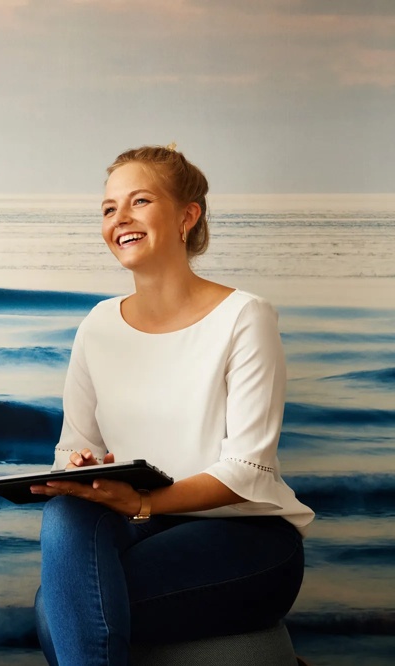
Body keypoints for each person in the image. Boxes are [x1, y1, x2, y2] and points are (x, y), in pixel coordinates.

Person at [31, 145, 314, 665]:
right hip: (140, 528)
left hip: (246, 536)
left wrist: (142, 501)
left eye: (139, 201)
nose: (120, 218)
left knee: (56, 613)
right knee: (65, 511)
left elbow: (246, 470)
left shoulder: (244, 317)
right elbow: (73, 446)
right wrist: (81, 470)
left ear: (187, 216)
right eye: (109, 208)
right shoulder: (98, 325)